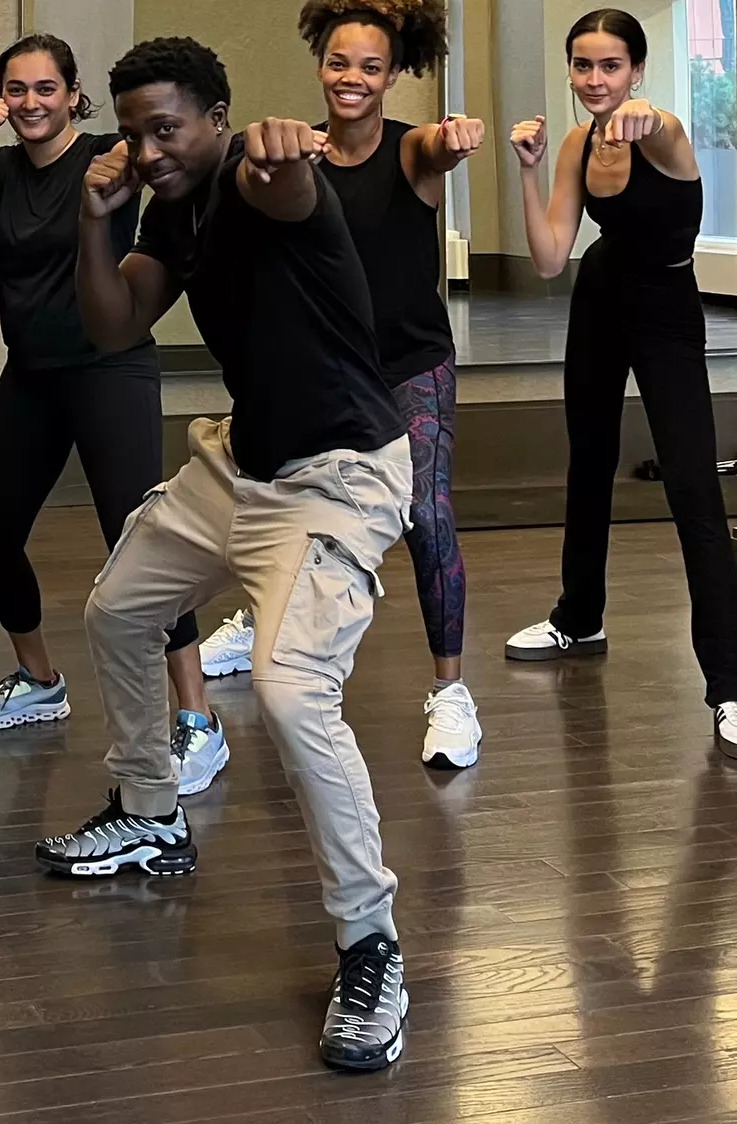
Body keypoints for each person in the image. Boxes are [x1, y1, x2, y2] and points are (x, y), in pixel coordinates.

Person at [34, 38, 413, 1072]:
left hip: (337, 477)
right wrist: (95, 217)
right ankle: (149, 812)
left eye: (168, 129)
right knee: (118, 610)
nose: (149, 149)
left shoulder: (255, 174)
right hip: (240, 466)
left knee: (291, 694)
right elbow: (113, 324)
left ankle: (370, 943)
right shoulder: (170, 205)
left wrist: (283, 150)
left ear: (217, 117)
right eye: (133, 133)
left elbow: (282, 184)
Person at [206, 0, 484, 771]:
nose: (351, 78)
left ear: (392, 76)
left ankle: (450, 691)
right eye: (338, 63)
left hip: (408, 364)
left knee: (426, 515)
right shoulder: (299, 154)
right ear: (319, 66)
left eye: (369, 67)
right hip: (322, 371)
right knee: (275, 503)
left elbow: (435, 147)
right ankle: (257, 625)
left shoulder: (411, 152)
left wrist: (455, 137)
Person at [0, 32, 227, 796]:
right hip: (32, 375)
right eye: (15, 89)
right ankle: (38, 680)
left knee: (140, 543)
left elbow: (174, 166)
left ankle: (196, 716)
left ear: (73, 95)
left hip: (110, 369)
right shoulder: (1, 169)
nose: (30, 103)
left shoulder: (111, 153)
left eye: (45, 88)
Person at [506, 8, 737, 762]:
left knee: (692, 486)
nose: (596, 80)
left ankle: (732, 687)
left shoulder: (664, 132)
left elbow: (658, 128)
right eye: (583, 65)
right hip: (599, 299)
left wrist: (644, 117)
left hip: (665, 311)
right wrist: (528, 172)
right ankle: (578, 617)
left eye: (611, 66)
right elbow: (550, 258)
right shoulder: (575, 142)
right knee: (588, 464)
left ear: (637, 70)